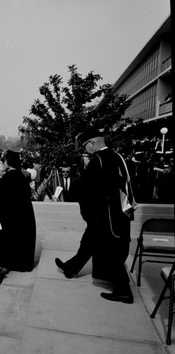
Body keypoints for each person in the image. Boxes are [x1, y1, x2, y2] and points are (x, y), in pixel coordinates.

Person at [55, 129, 135, 303]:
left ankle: (123, 291)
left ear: (92, 143)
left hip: (106, 215)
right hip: (120, 211)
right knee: (90, 239)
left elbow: (86, 190)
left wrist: (89, 214)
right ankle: (71, 268)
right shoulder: (117, 157)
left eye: (85, 146)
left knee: (111, 251)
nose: (85, 150)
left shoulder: (98, 160)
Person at [0, 150, 36, 275]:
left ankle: (11, 263)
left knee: (12, 240)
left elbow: (1, 200)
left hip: (11, 215)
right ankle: (23, 264)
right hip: (25, 214)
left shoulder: (6, 178)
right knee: (23, 239)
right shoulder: (22, 177)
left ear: (8, 162)